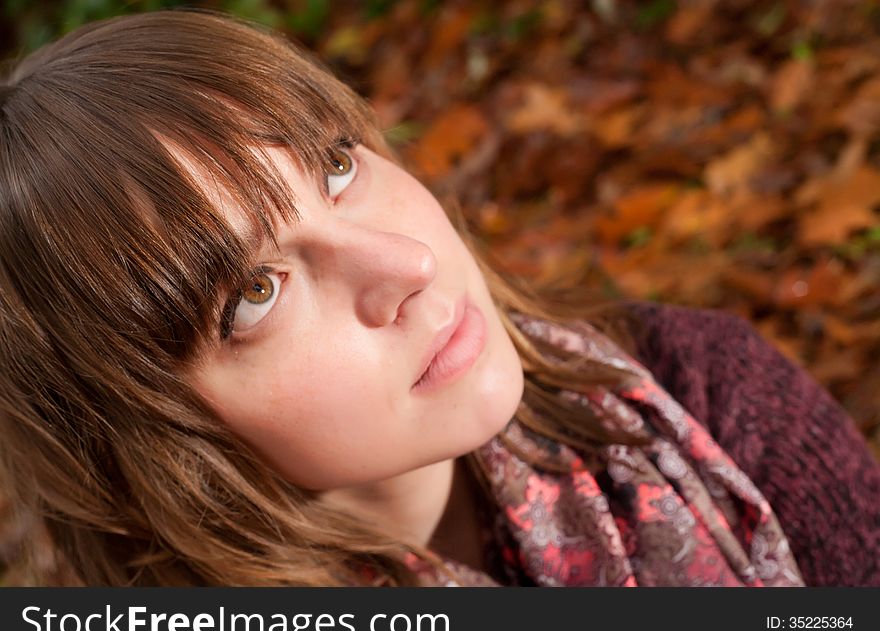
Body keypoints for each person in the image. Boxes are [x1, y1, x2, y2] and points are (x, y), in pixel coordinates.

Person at [0, 9, 876, 587]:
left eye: (337, 165)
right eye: (256, 292)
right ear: (128, 436)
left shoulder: (700, 386)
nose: (408, 263)